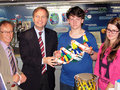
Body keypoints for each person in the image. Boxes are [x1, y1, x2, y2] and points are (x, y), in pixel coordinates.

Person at [54, 6, 98, 90]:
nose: (74, 22)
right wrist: (57, 57)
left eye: (77, 19)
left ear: (82, 20)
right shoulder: (63, 37)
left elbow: (96, 57)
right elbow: (60, 61)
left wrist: (91, 52)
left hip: (85, 81)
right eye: (72, 19)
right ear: (68, 20)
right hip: (66, 81)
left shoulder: (89, 37)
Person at [19, 7, 58, 90]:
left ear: (47, 19)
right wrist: (44, 60)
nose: (40, 19)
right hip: (31, 79)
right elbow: (25, 58)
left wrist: (56, 55)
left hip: (48, 78)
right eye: (37, 16)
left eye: (43, 16)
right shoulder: (24, 36)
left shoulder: (53, 34)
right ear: (33, 18)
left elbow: (53, 53)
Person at [94, 17, 120, 90]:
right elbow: (97, 67)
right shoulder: (103, 46)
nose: (110, 33)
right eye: (108, 30)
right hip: (100, 85)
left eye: (114, 31)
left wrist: (107, 88)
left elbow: (117, 75)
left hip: (112, 88)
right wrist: (95, 84)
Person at [0, 20, 27, 90]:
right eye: (5, 32)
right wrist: (11, 79)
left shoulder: (10, 48)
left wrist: (20, 73)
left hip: (14, 87)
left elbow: (13, 66)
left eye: (11, 31)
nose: (9, 35)